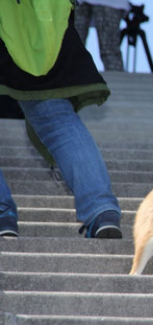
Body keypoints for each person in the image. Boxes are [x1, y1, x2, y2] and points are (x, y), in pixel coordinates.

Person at [0, 0, 122, 239]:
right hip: (45, 21)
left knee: (54, 115)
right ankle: (101, 209)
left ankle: (2, 214)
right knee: (55, 116)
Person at [74, 0, 130, 71]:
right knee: (72, 49)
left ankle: (116, 80)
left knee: (109, 51)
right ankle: (69, 80)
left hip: (110, 3)